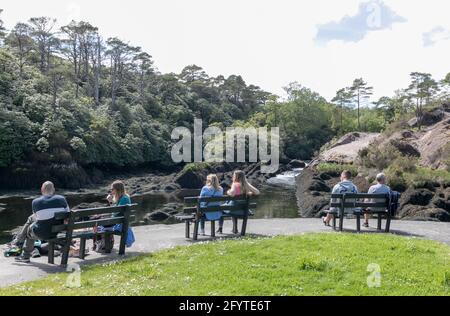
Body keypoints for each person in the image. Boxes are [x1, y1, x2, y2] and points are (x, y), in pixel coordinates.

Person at [14, 181, 70, 263]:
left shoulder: (35, 202)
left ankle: (24, 252)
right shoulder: (62, 199)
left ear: (42, 189)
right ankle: (19, 240)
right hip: (57, 231)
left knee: (29, 229)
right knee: (30, 219)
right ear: (53, 190)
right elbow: (68, 215)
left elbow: (37, 218)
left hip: (42, 233)